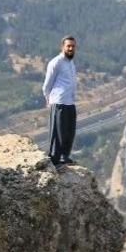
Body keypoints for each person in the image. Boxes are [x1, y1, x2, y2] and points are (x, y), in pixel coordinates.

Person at [43, 35, 79, 167]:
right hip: (58, 102)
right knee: (57, 132)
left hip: (70, 102)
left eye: (73, 46)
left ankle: (64, 156)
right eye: (68, 46)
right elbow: (47, 84)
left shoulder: (70, 63)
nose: (71, 48)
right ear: (62, 47)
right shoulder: (56, 62)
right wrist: (49, 99)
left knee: (69, 131)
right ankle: (54, 159)